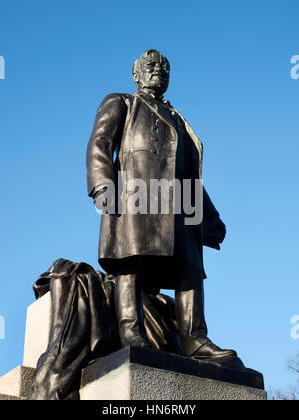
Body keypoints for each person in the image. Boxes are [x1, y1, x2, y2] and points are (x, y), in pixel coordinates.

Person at [86, 49, 236, 360]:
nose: (159, 71)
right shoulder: (122, 103)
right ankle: (131, 331)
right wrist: (102, 184)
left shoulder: (178, 119)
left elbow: (189, 173)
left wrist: (210, 214)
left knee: (190, 269)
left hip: (179, 204)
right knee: (132, 259)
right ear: (136, 74)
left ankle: (195, 339)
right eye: (151, 66)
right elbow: (100, 143)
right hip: (134, 195)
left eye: (164, 67)